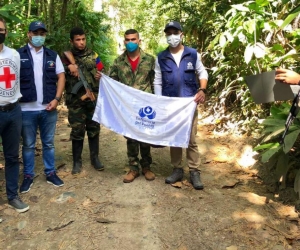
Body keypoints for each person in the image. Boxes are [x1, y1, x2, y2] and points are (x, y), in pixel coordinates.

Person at [153, 21, 208, 190]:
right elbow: (158, 81)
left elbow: (202, 72)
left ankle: (194, 171)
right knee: (175, 137)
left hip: (189, 104)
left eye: (174, 32)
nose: (172, 36)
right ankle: (177, 169)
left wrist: (202, 89)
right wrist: (159, 102)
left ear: (181, 34)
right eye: (168, 33)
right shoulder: (161, 57)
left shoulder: (192, 54)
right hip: (171, 105)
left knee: (190, 139)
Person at [18, 21, 65, 193]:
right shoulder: (18, 54)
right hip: (26, 109)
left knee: (49, 143)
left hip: (48, 107)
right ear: (29, 34)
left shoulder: (52, 55)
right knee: (28, 145)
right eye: (36, 33)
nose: (39, 36)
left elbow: (61, 76)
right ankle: (28, 175)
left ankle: (50, 172)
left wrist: (57, 99)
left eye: (42, 33)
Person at [109, 29, 156, 183]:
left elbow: (155, 82)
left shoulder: (149, 60)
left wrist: (157, 103)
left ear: (139, 41)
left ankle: (146, 167)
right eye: (127, 40)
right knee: (131, 137)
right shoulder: (118, 62)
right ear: (124, 41)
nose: (130, 42)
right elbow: (112, 83)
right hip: (128, 105)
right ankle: (133, 167)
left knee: (145, 135)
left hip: (145, 106)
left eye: (133, 39)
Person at [61, 27, 104, 175]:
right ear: (71, 41)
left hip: (92, 98)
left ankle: (95, 158)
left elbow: (101, 70)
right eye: (78, 40)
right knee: (77, 131)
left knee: (94, 129)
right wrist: (69, 66)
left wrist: (100, 75)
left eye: (83, 39)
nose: (81, 42)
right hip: (75, 102)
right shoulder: (65, 57)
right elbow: (58, 73)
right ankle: (77, 162)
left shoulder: (94, 55)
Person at [0, 17, 29, 212]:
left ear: (6, 32)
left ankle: (12, 196)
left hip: (14, 110)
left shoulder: (14, 54)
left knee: (12, 156)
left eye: (1, 29)